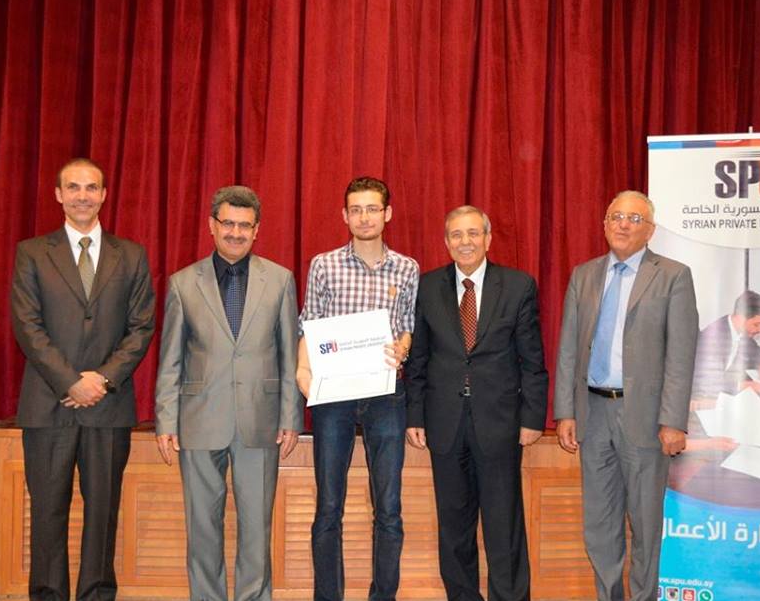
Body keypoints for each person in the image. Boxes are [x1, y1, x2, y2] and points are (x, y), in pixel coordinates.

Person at [11, 157, 156, 601]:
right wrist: (70, 381)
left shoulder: (131, 255)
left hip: (108, 409)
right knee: (47, 514)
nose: (82, 196)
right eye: (73, 187)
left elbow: (142, 327)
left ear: (104, 195)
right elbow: (27, 326)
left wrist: (103, 380)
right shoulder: (32, 253)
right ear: (58, 195)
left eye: (91, 188)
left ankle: (96, 594)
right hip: (48, 406)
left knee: (103, 515)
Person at [154, 185, 303, 601]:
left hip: (261, 421)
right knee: (202, 526)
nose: (236, 232)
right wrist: (165, 420)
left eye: (245, 225)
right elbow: (170, 359)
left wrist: (291, 416)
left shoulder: (280, 280)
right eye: (228, 224)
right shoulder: (183, 283)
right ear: (212, 225)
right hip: (198, 421)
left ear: (257, 230)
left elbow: (289, 355)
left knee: (256, 527)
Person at [554, 190, 698, 601]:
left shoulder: (673, 276)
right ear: (604, 225)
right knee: (599, 525)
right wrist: (565, 411)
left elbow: (681, 354)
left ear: (650, 230)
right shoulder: (584, 275)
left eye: (634, 219)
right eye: (616, 216)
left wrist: (673, 421)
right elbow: (568, 348)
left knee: (645, 523)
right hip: (593, 413)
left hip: (647, 419)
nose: (623, 224)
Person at [404, 205, 548, 601]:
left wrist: (533, 418)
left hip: (500, 423)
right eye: (456, 234)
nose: (464, 242)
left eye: (472, 233)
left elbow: (532, 360)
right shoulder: (428, 286)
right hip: (444, 422)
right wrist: (415, 415)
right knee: (453, 526)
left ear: (487, 239)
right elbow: (419, 360)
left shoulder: (517, 286)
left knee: (504, 525)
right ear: (446, 242)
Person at [296, 177, 419, 601]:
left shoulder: (407, 268)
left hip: (387, 395)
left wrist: (403, 347)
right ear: (345, 216)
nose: (364, 217)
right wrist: (302, 370)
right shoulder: (324, 265)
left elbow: (408, 326)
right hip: (333, 395)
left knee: (389, 507)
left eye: (372, 209)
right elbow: (309, 323)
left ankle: (383, 595)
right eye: (356, 210)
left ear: (387, 214)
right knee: (329, 506)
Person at [693, 290, 760, 398]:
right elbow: (708, 381)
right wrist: (744, 385)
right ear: (741, 317)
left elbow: (754, 349)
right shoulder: (713, 338)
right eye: (757, 324)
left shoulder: (743, 333)